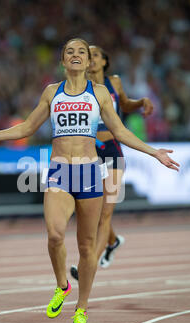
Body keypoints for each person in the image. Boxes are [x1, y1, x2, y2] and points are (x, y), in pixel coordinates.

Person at [0, 38, 179, 323]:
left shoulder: (100, 93)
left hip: (89, 174)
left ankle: (81, 310)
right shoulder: (51, 92)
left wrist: (154, 151)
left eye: (81, 51)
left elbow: (119, 130)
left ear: (88, 60)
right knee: (55, 235)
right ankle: (62, 285)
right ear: (63, 60)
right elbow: (27, 127)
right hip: (59, 171)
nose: (77, 55)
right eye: (70, 51)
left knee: (86, 247)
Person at [70, 45, 154, 281]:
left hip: (112, 150)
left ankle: (89, 265)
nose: (92, 59)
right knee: (89, 211)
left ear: (105, 62)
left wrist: (141, 103)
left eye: (96, 55)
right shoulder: (79, 85)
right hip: (88, 150)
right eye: (89, 56)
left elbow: (125, 105)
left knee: (105, 212)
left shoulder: (114, 82)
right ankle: (113, 241)